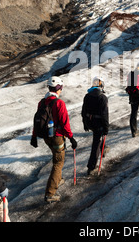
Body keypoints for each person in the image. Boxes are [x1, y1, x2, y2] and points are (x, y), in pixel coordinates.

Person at [30, 76, 77, 204]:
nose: (61, 90)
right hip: (57, 137)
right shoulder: (59, 103)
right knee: (58, 162)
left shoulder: (42, 102)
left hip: (46, 137)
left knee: (56, 156)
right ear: (58, 88)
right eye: (60, 88)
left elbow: (37, 120)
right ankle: (50, 193)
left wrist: (34, 136)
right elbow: (64, 123)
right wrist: (71, 138)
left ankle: (58, 179)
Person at [82, 77, 109, 175]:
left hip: (90, 122)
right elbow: (105, 114)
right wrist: (106, 127)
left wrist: (85, 123)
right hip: (98, 123)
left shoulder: (87, 96)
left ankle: (104, 148)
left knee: (97, 138)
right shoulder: (102, 97)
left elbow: (83, 111)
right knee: (96, 143)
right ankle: (91, 167)